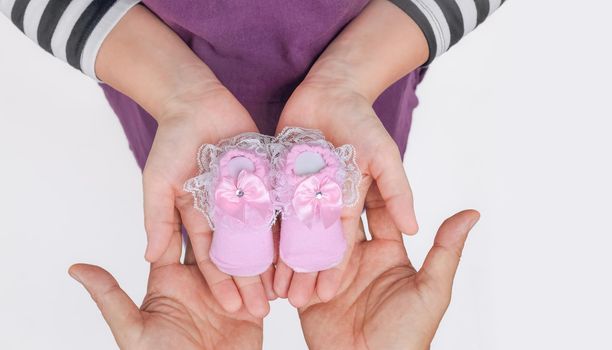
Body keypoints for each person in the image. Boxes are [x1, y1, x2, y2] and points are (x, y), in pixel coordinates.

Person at [1, 0, 503, 315]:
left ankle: (273, 184)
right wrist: (176, 92)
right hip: (160, 72)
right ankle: (274, 183)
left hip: (366, 74)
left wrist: (352, 75)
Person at [69, 210, 480, 349]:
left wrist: (174, 90)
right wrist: (354, 73)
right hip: (354, 102)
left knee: (190, 202)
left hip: (180, 117)